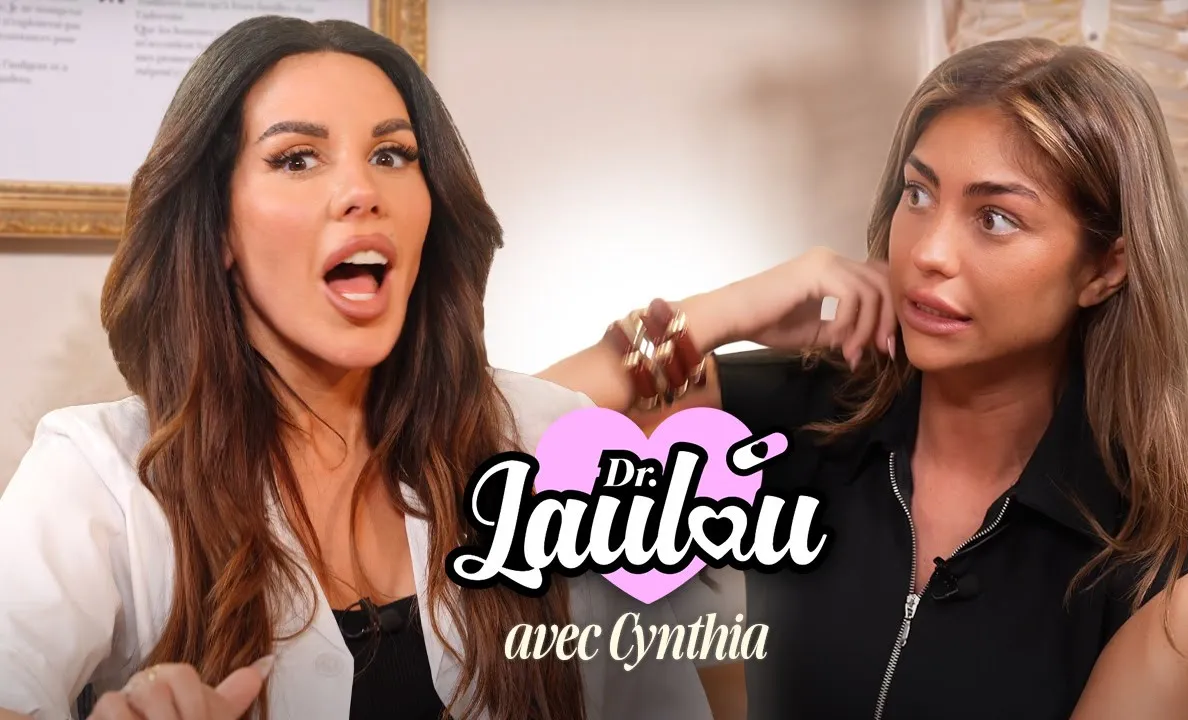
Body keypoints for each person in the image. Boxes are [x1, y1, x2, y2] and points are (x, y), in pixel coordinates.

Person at [0, 16, 725, 720]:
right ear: (218, 227)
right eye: (296, 159)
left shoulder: (553, 439)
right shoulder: (100, 474)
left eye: (391, 155)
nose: (362, 191)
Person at [540, 37, 1188, 719]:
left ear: (1105, 267)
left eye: (995, 218)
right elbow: (492, 443)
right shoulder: (804, 414)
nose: (928, 252)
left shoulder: (1175, 551)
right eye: (918, 195)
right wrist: (723, 313)